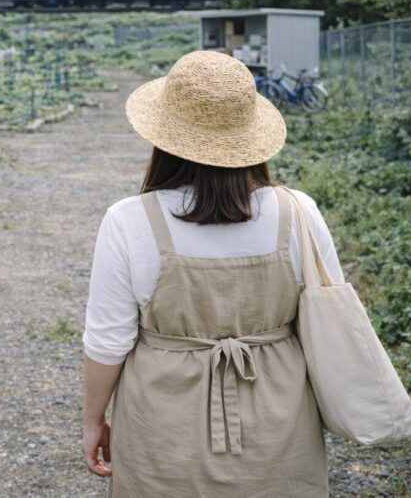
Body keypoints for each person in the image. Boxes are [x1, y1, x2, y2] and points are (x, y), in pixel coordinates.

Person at [82, 51, 338, 497]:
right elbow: (330, 317)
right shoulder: (298, 212)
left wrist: (92, 420)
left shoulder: (128, 220)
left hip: (162, 427)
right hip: (279, 419)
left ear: (163, 137)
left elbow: (108, 341)